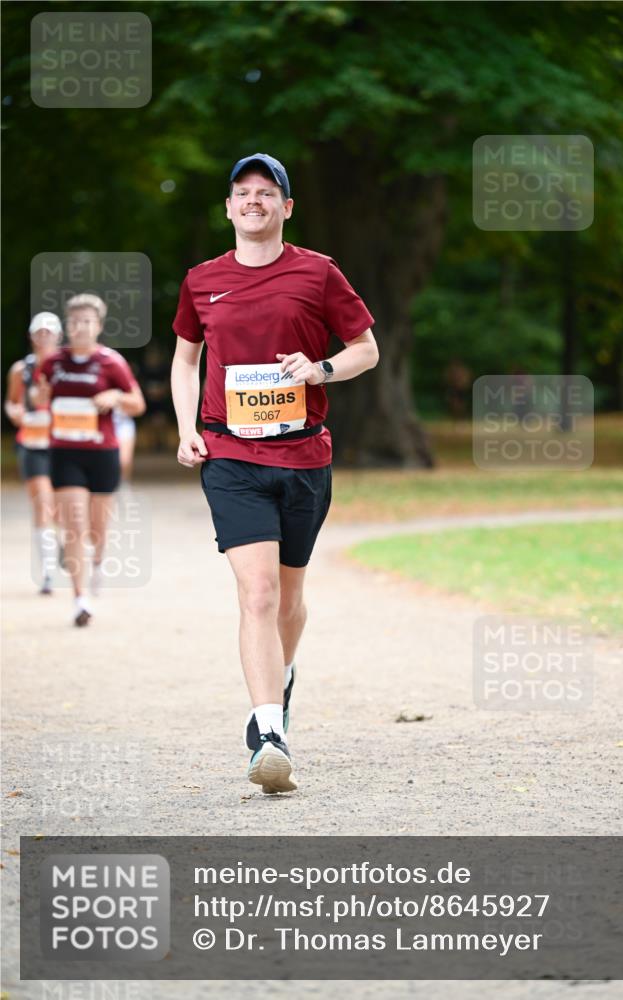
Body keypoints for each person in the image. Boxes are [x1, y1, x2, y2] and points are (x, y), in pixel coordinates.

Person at [171, 153, 379, 795]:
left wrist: (319, 369)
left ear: (286, 207)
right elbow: (186, 360)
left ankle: (281, 681)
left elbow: (366, 350)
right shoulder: (202, 280)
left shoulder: (318, 273)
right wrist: (187, 429)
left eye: (267, 192)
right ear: (229, 208)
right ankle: (269, 733)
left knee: (289, 598)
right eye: (242, 193)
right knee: (256, 593)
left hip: (304, 455)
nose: (253, 201)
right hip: (231, 456)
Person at [33, 293, 146, 626]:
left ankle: (98, 560)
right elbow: (39, 397)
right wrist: (39, 396)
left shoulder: (112, 363)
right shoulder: (53, 363)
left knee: (97, 528)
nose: (80, 328)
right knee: (73, 526)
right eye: (75, 322)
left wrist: (116, 396)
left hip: (102, 453)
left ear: (98, 326)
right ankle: (80, 599)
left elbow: (137, 403)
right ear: (67, 325)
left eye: (87, 322)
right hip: (65, 452)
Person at [4, 312, 62, 594]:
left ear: (58, 336)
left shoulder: (66, 367)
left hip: (63, 444)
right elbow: (12, 403)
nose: (44, 338)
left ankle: (62, 547)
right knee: (42, 504)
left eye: (49, 332)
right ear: (31, 336)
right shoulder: (20, 370)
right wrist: (15, 413)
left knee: (61, 509)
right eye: (39, 333)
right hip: (32, 443)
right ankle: (48, 571)